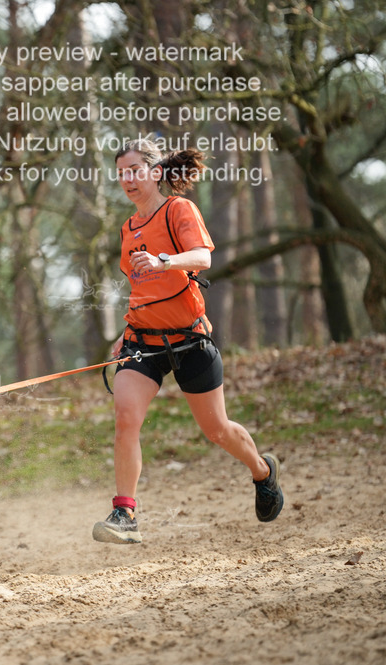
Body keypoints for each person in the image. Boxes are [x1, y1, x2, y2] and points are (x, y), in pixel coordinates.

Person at [92, 136, 284, 544]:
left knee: (216, 429)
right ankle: (124, 513)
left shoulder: (179, 210)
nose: (127, 179)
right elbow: (140, 287)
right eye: (121, 173)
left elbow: (202, 258)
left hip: (190, 340)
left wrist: (166, 260)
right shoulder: (127, 229)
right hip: (142, 342)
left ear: (155, 172)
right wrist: (127, 330)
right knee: (126, 419)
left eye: (134, 170)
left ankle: (262, 470)